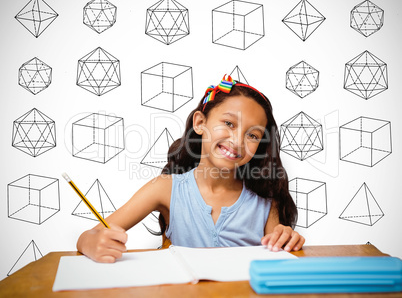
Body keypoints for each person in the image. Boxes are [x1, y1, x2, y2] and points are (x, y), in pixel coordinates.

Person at [77, 75, 305, 263]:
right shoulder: (165, 188)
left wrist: (286, 239)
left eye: (253, 135)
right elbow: (92, 235)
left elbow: (278, 254)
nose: (237, 141)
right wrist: (90, 242)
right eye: (228, 123)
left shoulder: (266, 201)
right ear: (200, 123)